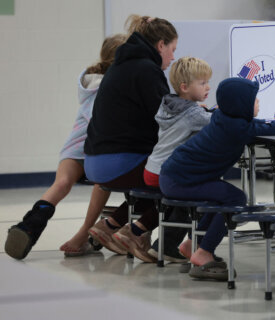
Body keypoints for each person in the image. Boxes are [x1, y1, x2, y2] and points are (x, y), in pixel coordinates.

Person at [159, 77, 275, 280]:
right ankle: (203, 253)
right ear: (241, 105)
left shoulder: (224, 117)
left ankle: (192, 245)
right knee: (235, 199)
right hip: (180, 181)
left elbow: (260, 124)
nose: (258, 103)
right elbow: (269, 128)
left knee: (221, 198)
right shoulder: (238, 128)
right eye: (254, 100)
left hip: (175, 176)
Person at [4, 34, 128, 260]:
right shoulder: (111, 86)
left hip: (73, 146)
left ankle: (29, 225)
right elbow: (102, 122)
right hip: (96, 148)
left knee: (60, 184)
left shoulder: (90, 81)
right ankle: (82, 236)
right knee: (102, 182)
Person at [85, 14, 187, 263]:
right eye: (172, 49)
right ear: (161, 45)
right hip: (120, 162)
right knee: (185, 177)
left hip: (95, 161)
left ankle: (110, 226)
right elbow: (167, 119)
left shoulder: (123, 64)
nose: (173, 57)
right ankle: (136, 232)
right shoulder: (146, 70)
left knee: (158, 171)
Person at [113, 56, 213, 259]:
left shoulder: (167, 105)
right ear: (184, 87)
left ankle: (140, 231)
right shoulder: (194, 114)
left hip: (152, 169)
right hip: (167, 173)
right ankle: (176, 247)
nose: (208, 87)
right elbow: (218, 124)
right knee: (199, 198)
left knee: (180, 197)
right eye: (202, 83)